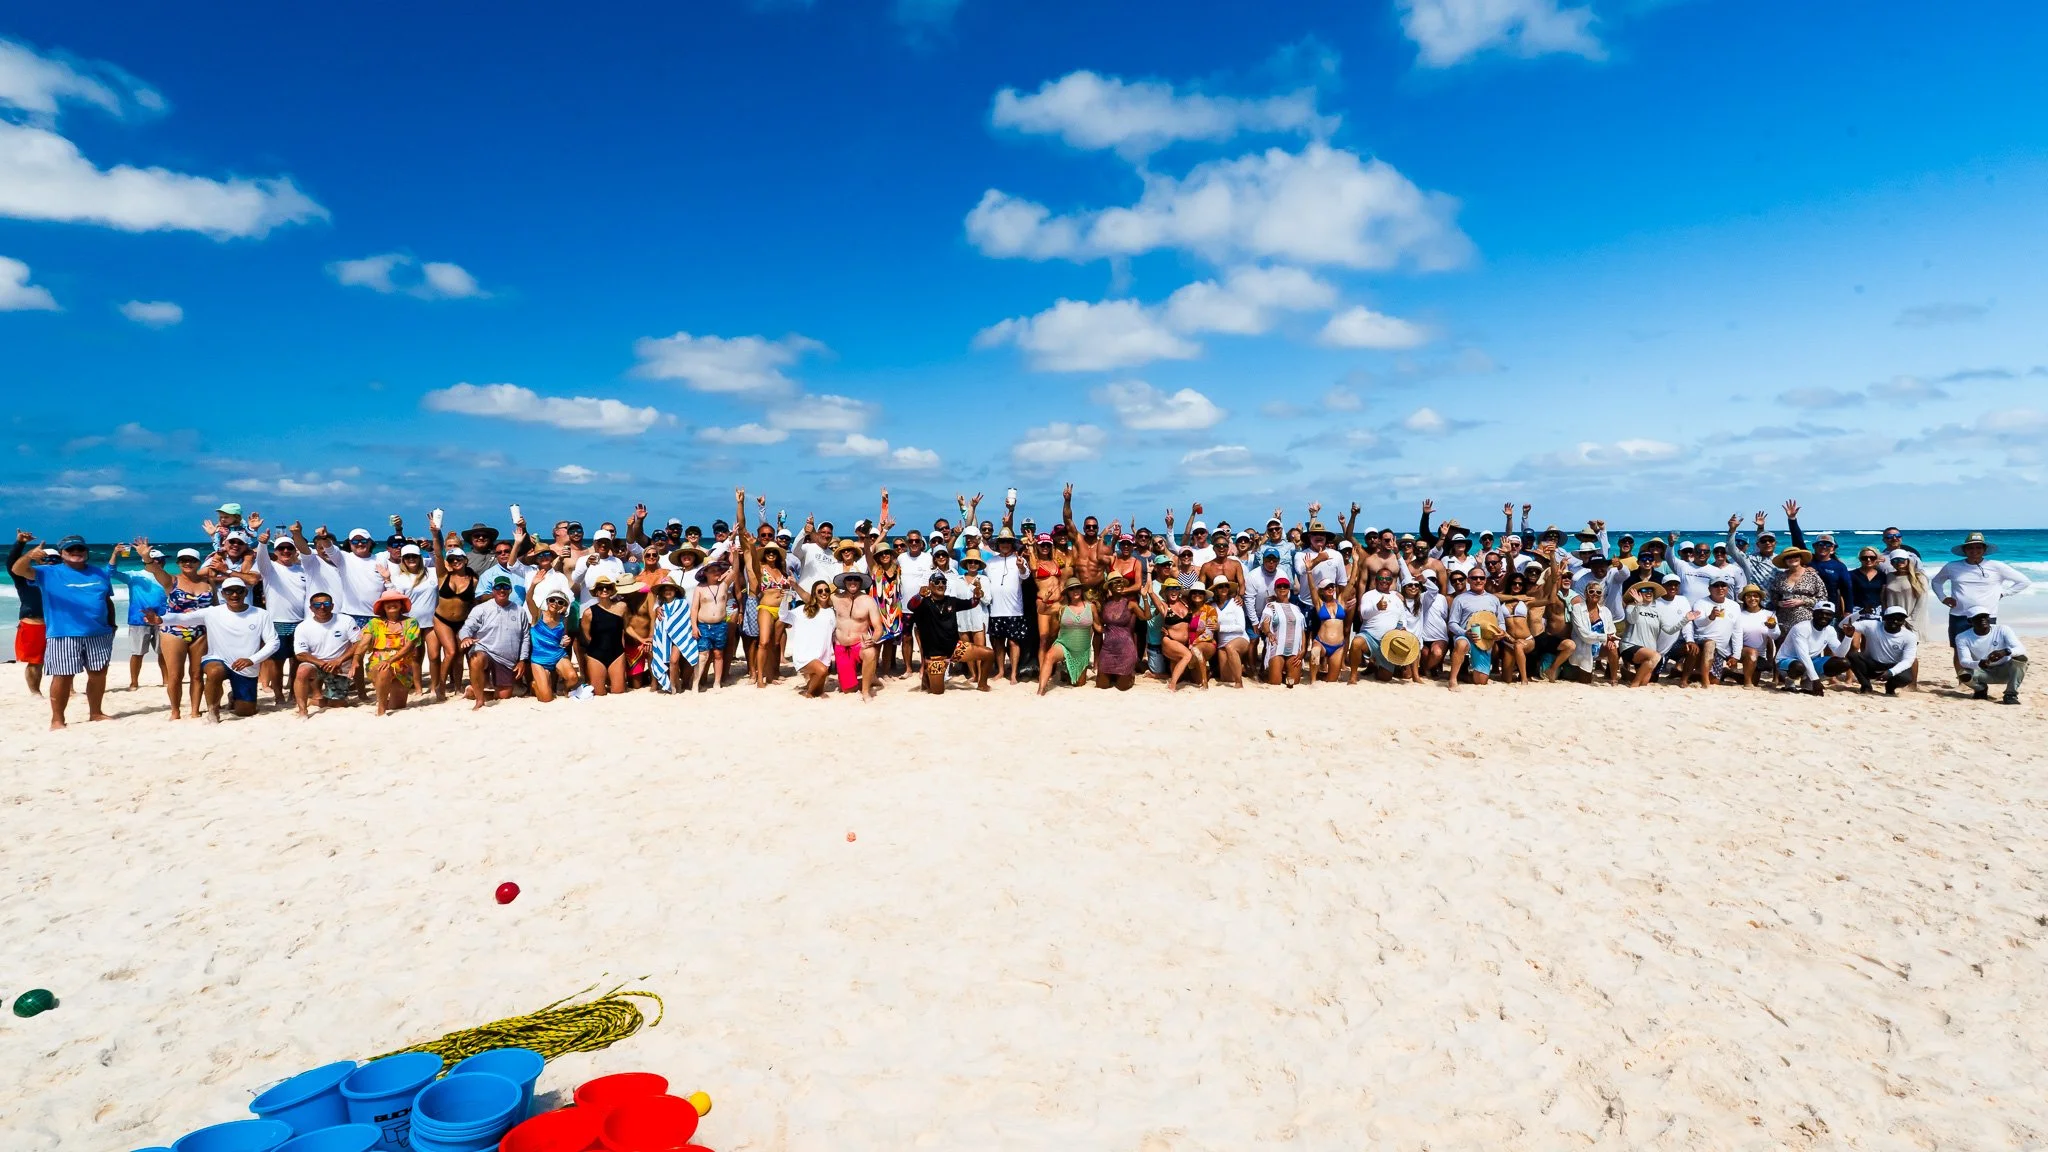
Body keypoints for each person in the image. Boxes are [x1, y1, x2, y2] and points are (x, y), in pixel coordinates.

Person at [10, 534, 116, 729]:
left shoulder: (100, 573)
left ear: (86, 551)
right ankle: (57, 719)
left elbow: (107, 601)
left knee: (98, 674)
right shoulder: (48, 572)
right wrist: (29, 555)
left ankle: (96, 713)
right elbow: (17, 570)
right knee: (63, 676)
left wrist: (112, 625)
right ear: (62, 553)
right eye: (70, 550)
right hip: (63, 634)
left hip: (99, 633)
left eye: (80, 549)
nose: (76, 552)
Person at [148, 576, 277, 722]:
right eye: (229, 591)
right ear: (223, 594)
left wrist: (251, 660)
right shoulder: (212, 612)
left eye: (239, 591)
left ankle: (233, 697)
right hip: (217, 659)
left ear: (245, 593)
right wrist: (161, 619)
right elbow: (185, 618)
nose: (234, 595)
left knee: (245, 711)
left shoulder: (261, 614)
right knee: (215, 671)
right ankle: (213, 710)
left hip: (246, 667)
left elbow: (273, 642)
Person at [139, 542, 215, 720]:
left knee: (197, 674)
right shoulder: (172, 581)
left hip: (201, 632)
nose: (187, 563)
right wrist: (146, 557)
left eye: (191, 560)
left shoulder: (208, 582)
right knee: (175, 675)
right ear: (178, 563)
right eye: (183, 560)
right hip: (173, 631)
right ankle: (175, 711)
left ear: (198, 562)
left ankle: (195, 710)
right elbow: (156, 571)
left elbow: (216, 607)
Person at [1930, 532, 2032, 661]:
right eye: (1970, 547)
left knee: (1986, 648)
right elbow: (1936, 581)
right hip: (1959, 615)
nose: (1974, 551)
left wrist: (2004, 593)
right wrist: (1943, 598)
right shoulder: (1952, 566)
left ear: (1984, 549)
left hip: (1987, 615)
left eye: (1978, 547)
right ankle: (1963, 681)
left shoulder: (1997, 566)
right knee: (1959, 649)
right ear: (1964, 550)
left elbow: (2024, 581)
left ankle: (1981, 678)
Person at [905, 569, 989, 694]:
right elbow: (911, 606)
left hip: (955, 649)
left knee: (989, 654)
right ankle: (927, 674)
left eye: (943, 582)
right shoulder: (924, 603)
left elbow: (971, 603)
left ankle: (982, 684)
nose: (940, 585)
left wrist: (977, 596)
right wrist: (919, 595)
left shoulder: (951, 601)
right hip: (935, 655)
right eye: (937, 582)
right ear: (930, 584)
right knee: (937, 692)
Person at [458, 575, 530, 709]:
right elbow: (467, 627)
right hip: (485, 650)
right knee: (476, 658)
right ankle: (479, 701)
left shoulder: (520, 611)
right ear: (493, 590)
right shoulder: (481, 609)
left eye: (505, 587)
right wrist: (466, 637)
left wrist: (522, 660)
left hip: (507, 660)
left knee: (504, 695)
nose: (502, 590)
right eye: (498, 587)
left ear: (510, 590)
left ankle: (473, 691)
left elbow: (526, 637)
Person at [108, 542, 168, 692]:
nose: (161, 563)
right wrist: (115, 554)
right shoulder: (134, 575)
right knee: (137, 653)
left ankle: (166, 681)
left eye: (162, 560)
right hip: (138, 620)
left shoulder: (166, 578)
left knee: (164, 652)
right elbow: (111, 572)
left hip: (162, 619)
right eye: (159, 560)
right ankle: (134, 682)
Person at [290, 592, 361, 717]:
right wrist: (322, 663)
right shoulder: (303, 626)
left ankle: (319, 700)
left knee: (338, 705)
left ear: (332, 606)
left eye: (326, 604)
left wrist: (339, 660)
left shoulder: (346, 620)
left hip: (340, 666)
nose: (322, 607)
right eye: (317, 605)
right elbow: (300, 654)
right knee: (302, 671)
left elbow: (358, 643)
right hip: (316, 664)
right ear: (311, 608)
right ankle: (302, 711)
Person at [7, 530, 55, 695]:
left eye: (55, 560)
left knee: (65, 659)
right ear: (39, 559)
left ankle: (69, 689)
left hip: (56, 624)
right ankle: (35, 692)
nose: (50, 563)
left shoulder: (60, 578)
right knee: (35, 662)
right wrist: (20, 544)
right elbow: (12, 566)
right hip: (33, 623)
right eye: (46, 559)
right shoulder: (25, 577)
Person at [361, 591, 421, 716]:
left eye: (395, 601)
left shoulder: (411, 622)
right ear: (382, 606)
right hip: (378, 662)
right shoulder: (374, 623)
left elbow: (409, 646)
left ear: (401, 604)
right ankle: (381, 710)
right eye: (387, 602)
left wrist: (390, 660)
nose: (391, 604)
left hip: (403, 664)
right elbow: (363, 644)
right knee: (384, 669)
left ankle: (385, 697)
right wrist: (356, 659)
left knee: (397, 706)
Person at [1777, 600, 1853, 696]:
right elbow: (1803, 655)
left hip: (1811, 661)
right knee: (1799, 666)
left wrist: (1848, 637)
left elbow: (1840, 654)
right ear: (1813, 613)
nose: (1824, 616)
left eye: (1828, 614)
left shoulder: (1830, 630)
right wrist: (1816, 680)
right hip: (1787, 662)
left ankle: (1807, 681)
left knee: (1844, 663)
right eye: (1821, 613)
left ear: (1832, 617)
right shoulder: (1801, 628)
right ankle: (1789, 681)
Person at [829, 570, 884, 699]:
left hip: (859, 644)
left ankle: (866, 691)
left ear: (860, 582)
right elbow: (812, 598)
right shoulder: (836, 598)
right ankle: (871, 678)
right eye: (849, 579)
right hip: (841, 646)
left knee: (870, 652)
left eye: (856, 579)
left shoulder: (868, 601)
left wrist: (873, 639)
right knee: (848, 689)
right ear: (844, 582)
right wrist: (795, 586)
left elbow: (878, 628)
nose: (852, 582)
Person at [1038, 577, 1097, 695]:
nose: (1075, 591)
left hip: (1081, 649)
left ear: (1081, 590)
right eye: (1071, 589)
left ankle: (1065, 674)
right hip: (1064, 644)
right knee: (1049, 656)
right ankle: (1041, 689)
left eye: (1077, 588)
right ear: (1067, 593)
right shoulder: (1062, 607)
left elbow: (1098, 626)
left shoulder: (1091, 607)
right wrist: (1045, 599)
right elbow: (1041, 611)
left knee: (1078, 684)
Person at [1954, 610, 2026, 704]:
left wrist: (2005, 652)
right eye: (1978, 617)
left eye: (1985, 616)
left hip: (2007, 672)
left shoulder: (2003, 629)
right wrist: (1979, 663)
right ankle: (1980, 689)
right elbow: (1964, 661)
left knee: (2021, 658)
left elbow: (2021, 649)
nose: (1983, 619)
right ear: (1970, 621)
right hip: (1984, 672)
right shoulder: (1962, 637)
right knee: (1963, 674)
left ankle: (2010, 695)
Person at [581, 575, 633, 696]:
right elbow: (586, 636)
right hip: (596, 654)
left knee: (618, 691)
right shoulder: (588, 612)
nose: (604, 590)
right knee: (599, 693)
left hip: (617, 653)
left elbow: (626, 628)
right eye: (600, 588)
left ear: (611, 590)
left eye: (607, 587)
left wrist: (643, 639)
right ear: (596, 592)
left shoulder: (622, 607)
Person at [784, 579, 837, 698]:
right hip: (804, 655)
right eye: (820, 591)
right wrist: (785, 599)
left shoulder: (831, 612)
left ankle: (813, 689)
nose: (824, 593)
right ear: (814, 594)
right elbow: (783, 616)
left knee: (821, 683)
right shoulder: (804, 610)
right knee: (822, 671)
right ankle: (808, 693)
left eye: (827, 590)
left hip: (822, 655)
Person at [1850, 607, 1918, 695]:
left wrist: (1891, 672)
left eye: (1899, 619)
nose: (1895, 621)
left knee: (1906, 678)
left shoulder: (1910, 636)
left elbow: (1908, 661)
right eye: (1892, 618)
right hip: (1872, 664)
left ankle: (1890, 687)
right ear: (1884, 618)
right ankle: (1866, 686)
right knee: (1853, 656)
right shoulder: (1872, 626)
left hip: (1893, 666)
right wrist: (1858, 614)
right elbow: (1843, 624)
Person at [527, 591, 582, 702]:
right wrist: (533, 585)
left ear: (564, 606)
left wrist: (565, 641)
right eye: (552, 600)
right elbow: (529, 600)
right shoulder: (538, 614)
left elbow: (562, 639)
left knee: (573, 678)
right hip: (539, 659)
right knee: (546, 699)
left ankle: (565, 690)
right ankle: (534, 685)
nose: (555, 603)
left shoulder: (563, 619)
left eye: (560, 602)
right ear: (547, 601)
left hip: (558, 655)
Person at [1096, 573, 1142, 691]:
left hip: (1125, 649)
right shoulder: (1105, 604)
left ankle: (1130, 675)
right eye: (1116, 582)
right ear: (1110, 586)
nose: (1119, 585)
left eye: (1121, 582)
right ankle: (1114, 675)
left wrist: (1146, 597)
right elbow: (1101, 625)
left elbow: (1146, 616)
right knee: (1102, 685)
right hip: (1108, 649)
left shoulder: (1130, 603)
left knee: (1122, 687)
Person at [1258, 576, 1305, 687]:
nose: (1282, 588)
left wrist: (1303, 649)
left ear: (1289, 589)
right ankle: (1269, 672)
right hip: (1277, 646)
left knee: (1294, 682)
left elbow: (1302, 629)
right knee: (1275, 682)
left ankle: (1284, 672)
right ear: (1275, 589)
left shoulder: (1296, 608)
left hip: (1293, 648)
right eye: (1279, 586)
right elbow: (1265, 623)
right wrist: (1268, 633)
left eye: (1285, 586)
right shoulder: (1271, 606)